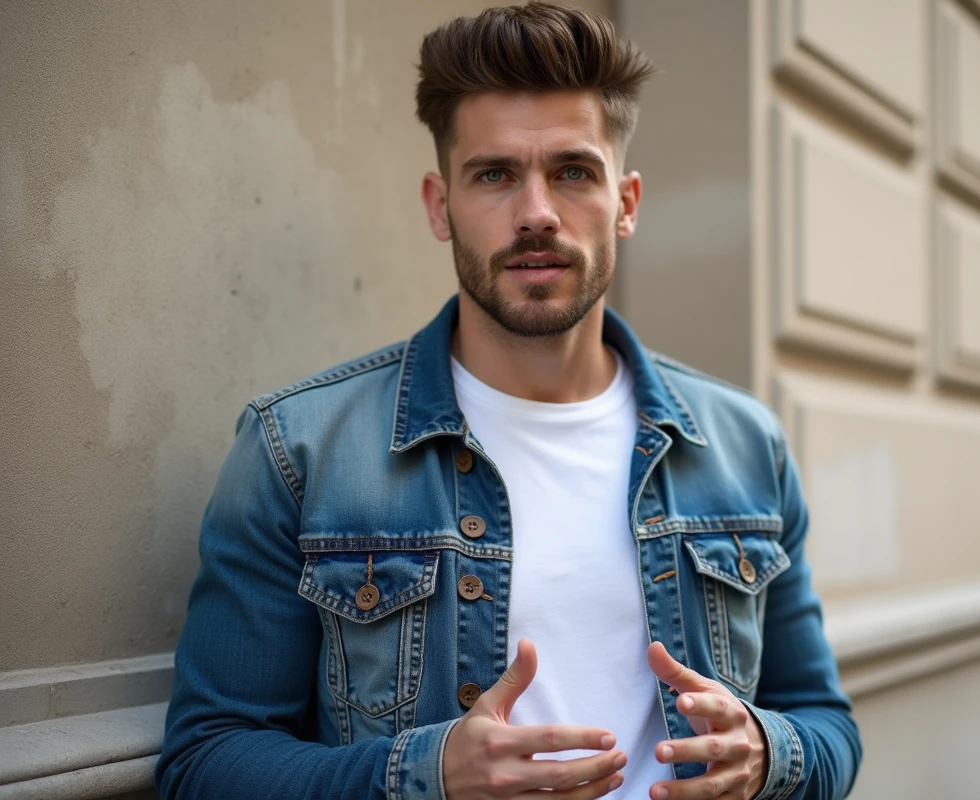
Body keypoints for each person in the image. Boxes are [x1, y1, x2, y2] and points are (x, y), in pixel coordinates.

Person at [155, 3, 861, 798]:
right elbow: (204, 763)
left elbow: (827, 724)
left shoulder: (742, 445)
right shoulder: (299, 452)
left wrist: (771, 753)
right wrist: (422, 778)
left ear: (625, 203)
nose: (536, 213)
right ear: (439, 204)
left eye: (572, 171)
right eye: (494, 174)